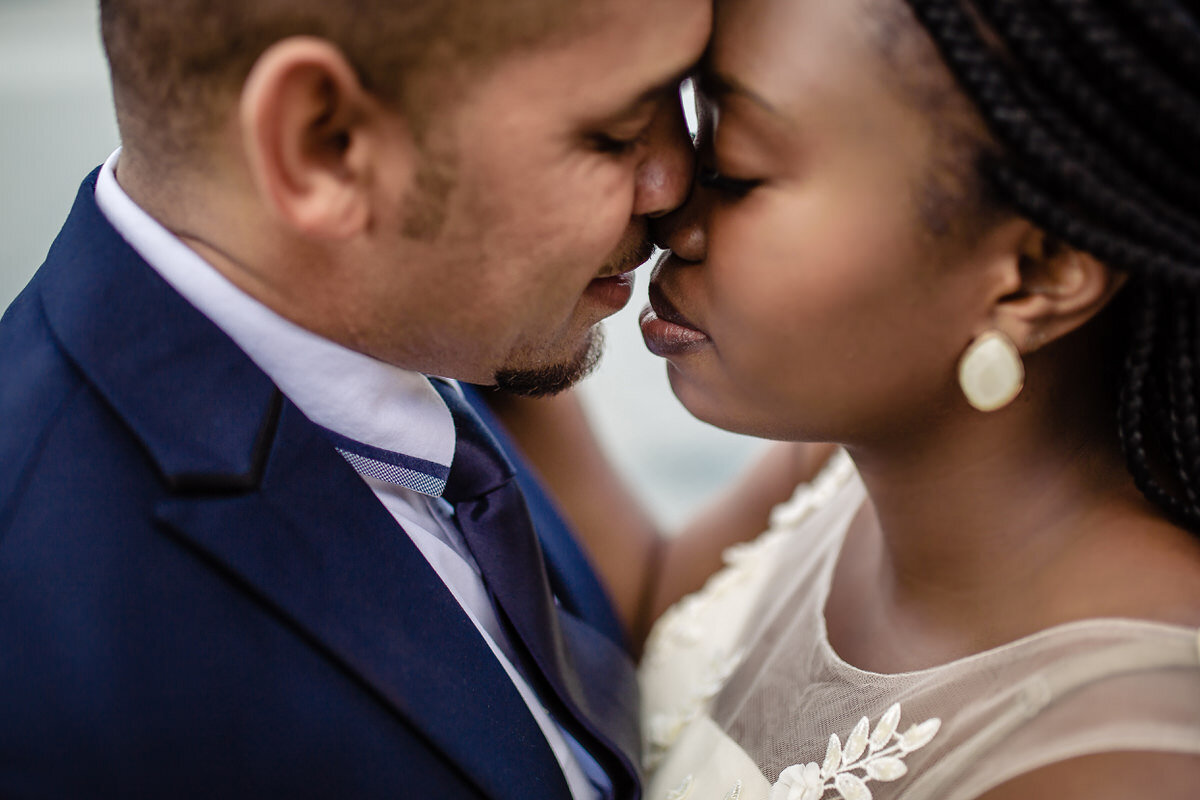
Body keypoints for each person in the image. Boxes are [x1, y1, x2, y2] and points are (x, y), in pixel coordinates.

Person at [0, 0, 710, 796]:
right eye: (613, 134)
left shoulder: (435, 322)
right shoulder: (46, 676)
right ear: (324, 145)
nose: (674, 187)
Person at [636, 0, 1200, 798]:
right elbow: (639, 609)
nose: (667, 212)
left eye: (733, 166)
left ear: (1034, 273)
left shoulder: (1124, 759)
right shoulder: (844, 458)